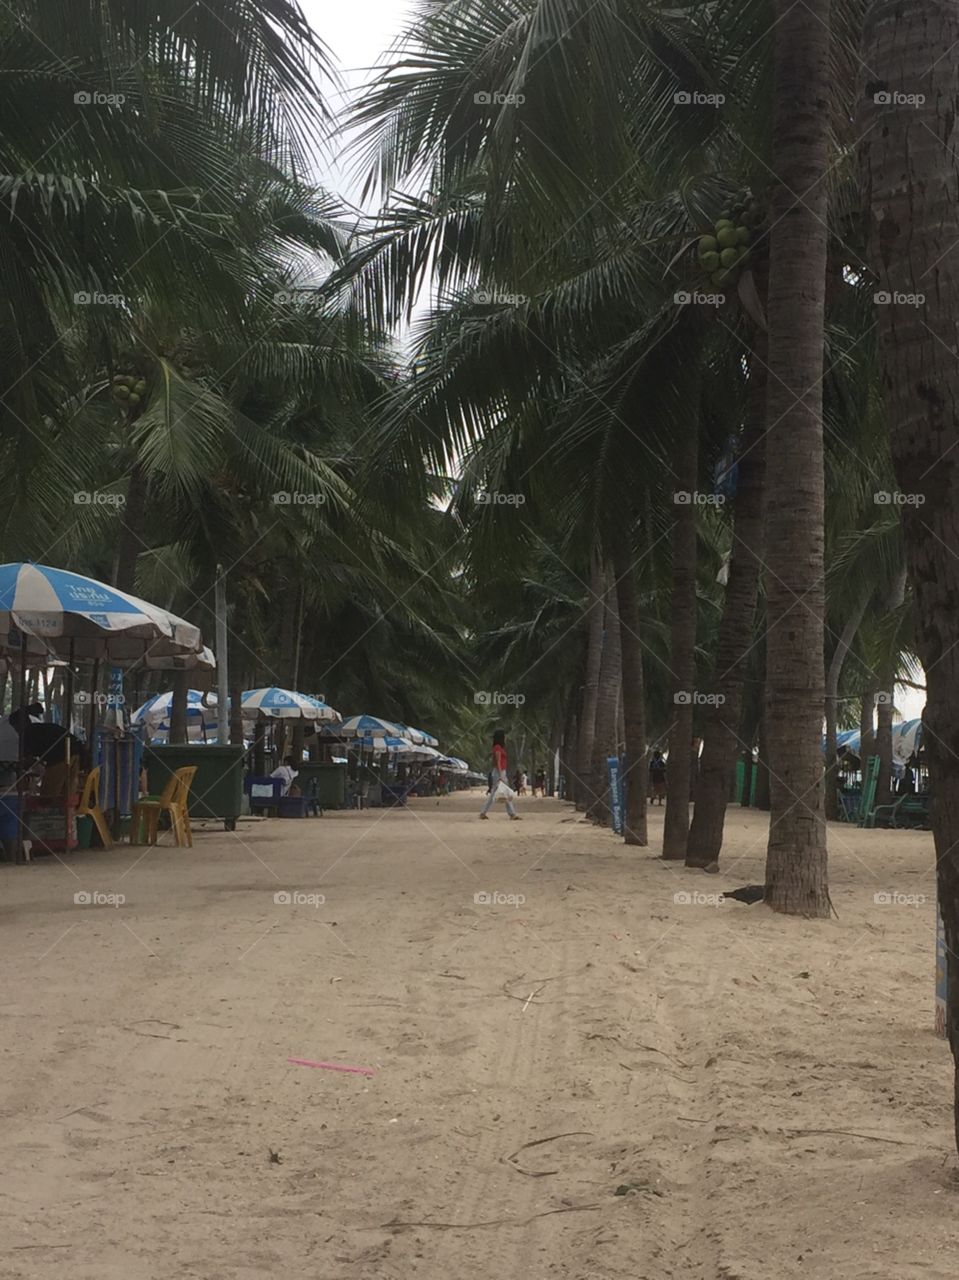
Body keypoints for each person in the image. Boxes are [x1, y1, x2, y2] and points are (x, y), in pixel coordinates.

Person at [480, 730, 520, 820]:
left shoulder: (498, 748)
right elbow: (498, 761)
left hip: (499, 771)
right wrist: (501, 775)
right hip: (499, 772)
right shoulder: (497, 748)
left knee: (497, 793)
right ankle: (512, 814)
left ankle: (483, 812)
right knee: (504, 792)